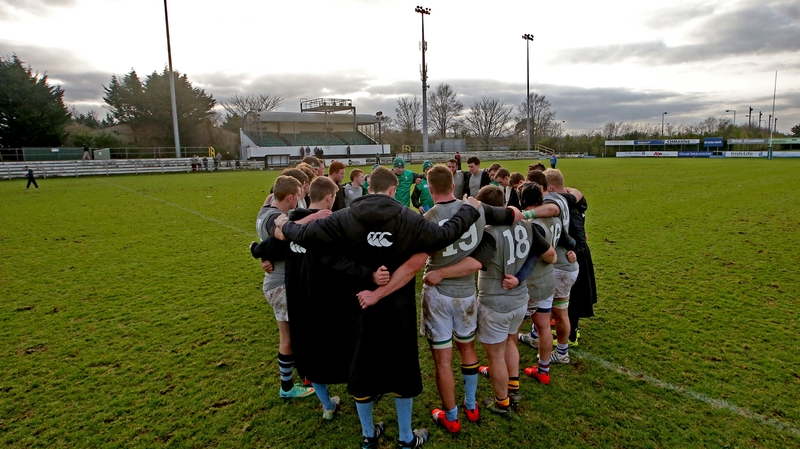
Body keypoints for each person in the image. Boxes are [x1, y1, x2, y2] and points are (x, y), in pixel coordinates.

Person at [277, 166, 482, 449]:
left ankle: (368, 435)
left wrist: (284, 225)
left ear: (369, 187)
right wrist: (469, 210)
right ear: (391, 190)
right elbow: (442, 236)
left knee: (361, 367)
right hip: (397, 306)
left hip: (359, 305)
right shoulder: (407, 218)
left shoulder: (344, 217)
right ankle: (406, 437)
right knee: (401, 369)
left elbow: (304, 236)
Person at [252, 176, 390, 420]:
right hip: (331, 299)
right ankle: (366, 392)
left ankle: (327, 404)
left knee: (309, 350)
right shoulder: (332, 221)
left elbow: (271, 247)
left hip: (299, 300)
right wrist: (370, 274)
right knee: (351, 347)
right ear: (329, 197)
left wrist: (256, 250)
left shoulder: (292, 224)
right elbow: (345, 261)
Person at [419, 166, 523, 433]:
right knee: (467, 349)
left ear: (430, 190)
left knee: (442, 360)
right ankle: (472, 405)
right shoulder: (477, 210)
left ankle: (451, 417)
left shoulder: (428, 218)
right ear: (453, 185)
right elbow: (514, 215)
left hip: (438, 295)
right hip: (467, 294)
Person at [473, 185, 554, 415]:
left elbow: (476, 262)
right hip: (519, 300)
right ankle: (513, 385)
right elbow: (543, 253)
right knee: (510, 342)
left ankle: (502, 402)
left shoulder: (489, 231)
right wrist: (519, 278)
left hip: (496, 303)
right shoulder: (526, 224)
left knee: (496, 355)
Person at [255, 175, 315, 399]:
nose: (299, 200)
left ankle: (299, 379)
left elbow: (267, 245)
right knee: (290, 338)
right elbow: (283, 233)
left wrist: (258, 251)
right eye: (297, 196)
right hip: (280, 285)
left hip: (275, 282)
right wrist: (315, 217)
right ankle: (289, 386)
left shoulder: (264, 210)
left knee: (291, 336)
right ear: (289, 197)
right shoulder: (274, 217)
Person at [514, 182, 563, 385]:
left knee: (511, 330)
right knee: (543, 326)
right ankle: (543, 370)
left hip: (531, 284)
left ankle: (504, 370)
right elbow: (567, 240)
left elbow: (536, 255)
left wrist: (517, 278)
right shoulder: (553, 217)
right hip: (547, 280)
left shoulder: (532, 224)